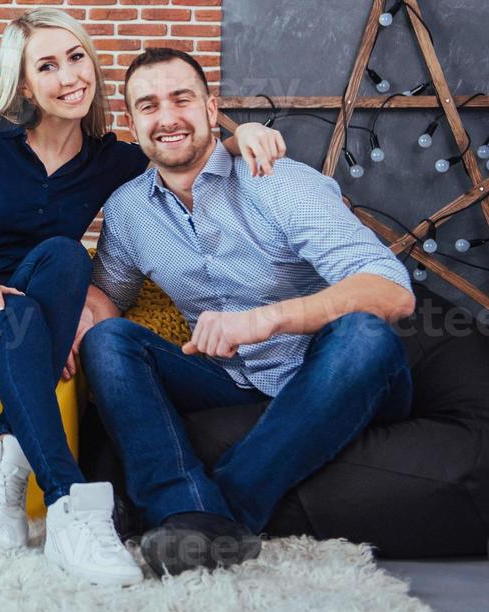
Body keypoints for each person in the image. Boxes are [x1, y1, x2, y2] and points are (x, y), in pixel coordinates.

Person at [0, 8, 286, 588]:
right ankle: (67, 506)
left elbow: (183, 138)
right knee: (20, 313)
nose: (69, 77)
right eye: (48, 65)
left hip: (17, 317)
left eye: (77, 57)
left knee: (63, 254)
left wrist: (244, 134)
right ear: (25, 83)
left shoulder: (110, 160)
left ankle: (7, 448)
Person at [80, 47, 416, 578]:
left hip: (325, 374)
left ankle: (215, 512)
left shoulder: (276, 180)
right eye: (148, 106)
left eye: (181, 99)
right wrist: (68, 321)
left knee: (366, 336)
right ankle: (185, 507)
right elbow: (108, 298)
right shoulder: (127, 209)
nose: (166, 117)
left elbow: (393, 292)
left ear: (212, 110)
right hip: (227, 379)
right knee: (109, 341)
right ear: (133, 122)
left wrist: (266, 319)